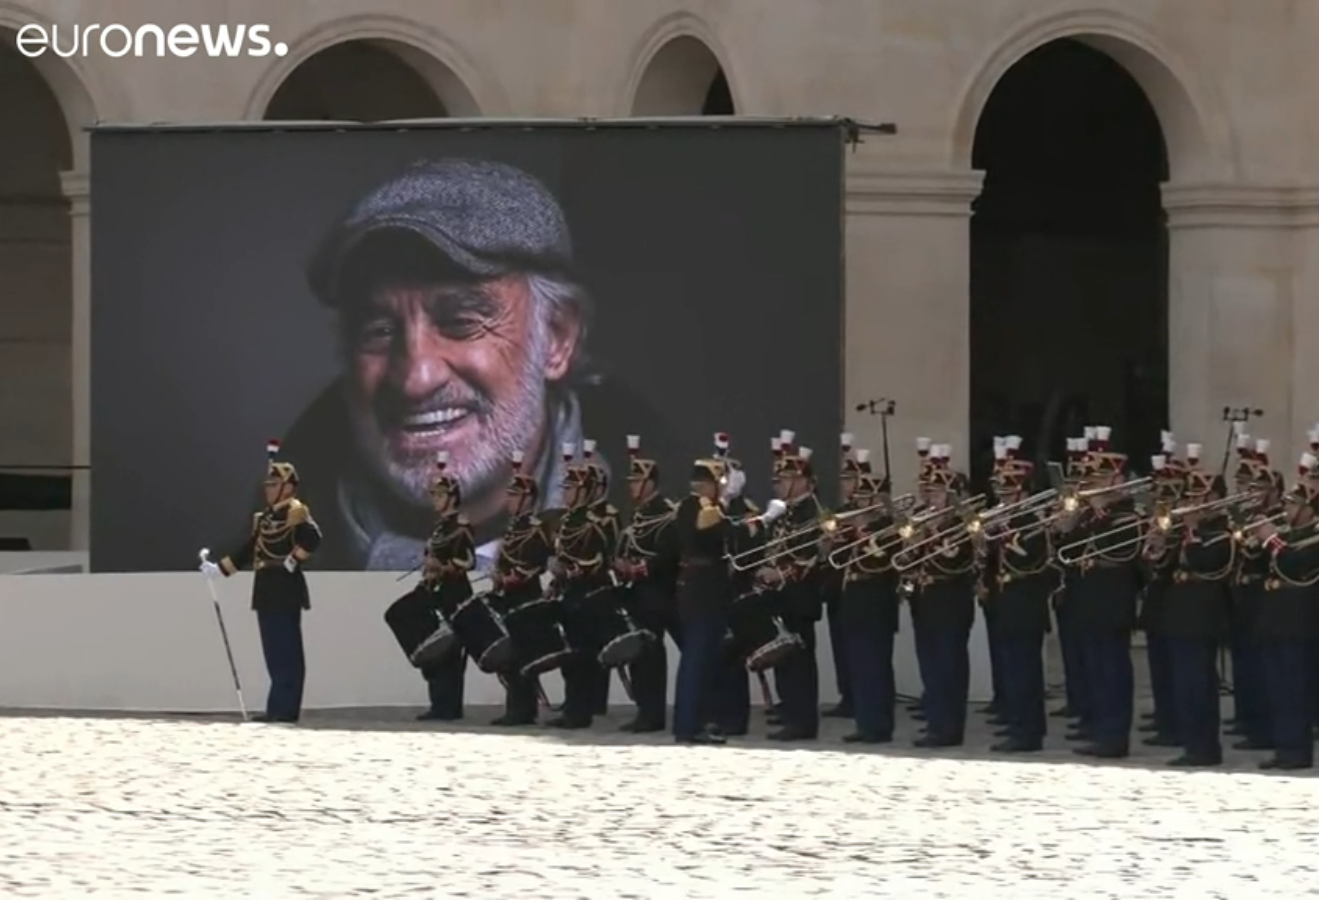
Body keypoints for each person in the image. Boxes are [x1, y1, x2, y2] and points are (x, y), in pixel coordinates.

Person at [278, 158, 684, 570]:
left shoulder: (690, 558)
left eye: (460, 322)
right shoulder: (259, 570)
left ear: (557, 338)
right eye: (378, 331)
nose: (416, 379)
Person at [671, 435, 787, 744]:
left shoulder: (692, 506)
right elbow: (724, 527)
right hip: (703, 593)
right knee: (698, 661)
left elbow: (728, 528)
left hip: (701, 592)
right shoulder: (699, 507)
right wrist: (766, 518)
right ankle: (689, 726)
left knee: (701, 661)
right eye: (718, 482)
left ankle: (692, 722)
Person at [199, 439, 322, 724]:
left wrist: (294, 559)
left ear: (288, 486)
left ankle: (287, 709)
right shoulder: (266, 519)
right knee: (274, 653)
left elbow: (313, 538)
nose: (268, 489)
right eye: (267, 485)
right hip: (266, 588)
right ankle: (276, 706)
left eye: (273, 484)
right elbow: (247, 550)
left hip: (285, 588)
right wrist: (218, 569)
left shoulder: (295, 511)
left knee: (287, 651)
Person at [1059, 425, 1141, 759]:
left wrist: (1094, 513)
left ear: (1117, 483)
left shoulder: (1126, 517)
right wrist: (1068, 522)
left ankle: (1114, 735)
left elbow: (1115, 553)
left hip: (1111, 605)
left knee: (1112, 672)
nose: (1090, 489)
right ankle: (1098, 727)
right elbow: (1068, 551)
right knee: (1095, 670)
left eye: (1097, 483)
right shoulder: (1091, 518)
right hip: (1088, 604)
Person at [1147, 454, 1232, 767]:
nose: (1192, 503)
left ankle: (1204, 747)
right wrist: (1156, 544)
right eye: (1191, 497)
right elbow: (1161, 567)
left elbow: (1206, 564)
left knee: (1198, 685)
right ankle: (1192, 741)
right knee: (1184, 685)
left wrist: (1192, 532)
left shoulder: (1221, 531)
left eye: (1199, 497)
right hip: (1178, 617)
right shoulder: (1184, 532)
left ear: (1214, 499)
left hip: (1202, 618)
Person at [898, 445, 977, 748]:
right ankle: (935, 721)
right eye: (929, 491)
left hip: (950, 602)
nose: (930, 497)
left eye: (937, 492)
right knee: (930, 667)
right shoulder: (922, 520)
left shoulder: (961, 525)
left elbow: (955, 561)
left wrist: (933, 534)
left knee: (949, 667)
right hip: (924, 601)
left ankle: (949, 727)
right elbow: (905, 561)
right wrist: (912, 545)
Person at [1248, 447, 1319, 771]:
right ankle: (1283, 745)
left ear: (1307, 509)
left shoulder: (1312, 538)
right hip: (1277, 619)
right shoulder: (1292, 534)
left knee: (1294, 689)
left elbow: (1296, 566)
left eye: (1293, 503)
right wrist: (1256, 542)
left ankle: (1296, 750)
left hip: (1299, 621)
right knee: (1277, 688)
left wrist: (1271, 540)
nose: (1287, 507)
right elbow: (1265, 564)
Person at [983, 436, 1055, 753]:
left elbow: (1032, 559)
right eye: (1002, 493)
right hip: (1006, 602)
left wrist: (1004, 533)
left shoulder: (1031, 521)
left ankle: (1029, 732)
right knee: (1013, 669)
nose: (1004, 499)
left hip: (1026, 604)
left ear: (1023, 493)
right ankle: (1017, 724)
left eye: (1010, 493)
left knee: (1026, 671)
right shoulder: (1006, 521)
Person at [546, 440, 619, 729]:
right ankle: (573, 706)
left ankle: (580, 711)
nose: (565, 493)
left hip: (588, 593)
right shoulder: (568, 521)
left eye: (571, 488)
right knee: (571, 653)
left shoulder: (593, 522)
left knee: (582, 655)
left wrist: (572, 570)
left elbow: (601, 557)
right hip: (569, 592)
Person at [761, 438, 826, 741]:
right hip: (782, 595)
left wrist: (778, 573)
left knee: (799, 660)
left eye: (787, 479)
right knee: (784, 656)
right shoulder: (786, 510)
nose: (780, 484)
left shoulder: (811, 512)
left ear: (803, 481)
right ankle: (790, 711)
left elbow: (809, 558)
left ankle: (802, 720)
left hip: (799, 595)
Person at [613, 434, 680, 732]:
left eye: (636, 481)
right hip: (638, 593)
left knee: (651, 654)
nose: (631, 486)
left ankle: (652, 713)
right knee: (640, 653)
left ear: (650, 482)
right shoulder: (639, 513)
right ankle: (644, 709)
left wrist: (640, 568)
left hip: (658, 594)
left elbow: (668, 553)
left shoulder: (665, 512)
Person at [837, 450, 900, 744]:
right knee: (859, 668)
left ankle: (878, 724)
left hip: (876, 605)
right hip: (855, 604)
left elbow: (878, 563)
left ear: (877, 502)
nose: (858, 505)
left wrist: (859, 534)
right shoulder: (858, 530)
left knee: (874, 667)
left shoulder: (887, 531)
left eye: (864, 500)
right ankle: (865, 721)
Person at [488, 449, 555, 726]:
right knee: (511, 657)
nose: (509, 501)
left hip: (526, 596)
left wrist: (514, 577)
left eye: (514, 496)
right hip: (509, 596)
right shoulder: (511, 529)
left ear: (527, 499)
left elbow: (536, 564)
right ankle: (515, 707)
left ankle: (524, 709)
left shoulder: (536, 529)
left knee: (523, 656)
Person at [1226, 434, 1280, 750]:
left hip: (1263, 596)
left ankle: (1262, 726)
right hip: (1243, 596)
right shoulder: (1244, 516)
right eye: (1246, 487)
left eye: (1256, 488)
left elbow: (1259, 555)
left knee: (1262, 667)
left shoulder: (1272, 520)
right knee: (1244, 662)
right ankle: (1246, 718)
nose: (1249, 493)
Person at [415, 450, 477, 721]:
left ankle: (450, 706)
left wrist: (441, 567)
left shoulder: (461, 526)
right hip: (438, 592)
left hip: (455, 593)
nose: (435, 500)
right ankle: (437, 702)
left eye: (439, 495)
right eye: (433, 495)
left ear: (452, 496)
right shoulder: (439, 527)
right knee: (434, 650)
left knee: (452, 653)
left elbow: (468, 561)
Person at [822, 432, 857, 719]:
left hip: (855, 586)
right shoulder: (840, 511)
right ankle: (847, 693)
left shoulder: (865, 514)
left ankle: (857, 696)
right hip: (836, 585)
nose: (844, 485)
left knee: (855, 647)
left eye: (849, 479)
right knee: (839, 643)